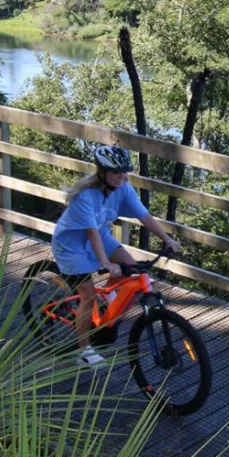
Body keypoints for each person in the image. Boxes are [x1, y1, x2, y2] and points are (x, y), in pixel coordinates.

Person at [52, 145, 181, 367]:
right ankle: (84, 350)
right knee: (87, 294)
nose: (122, 176)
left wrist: (166, 239)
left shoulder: (123, 189)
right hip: (71, 246)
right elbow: (90, 232)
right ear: (102, 172)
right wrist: (105, 263)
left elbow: (144, 216)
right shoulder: (85, 196)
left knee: (131, 271)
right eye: (116, 172)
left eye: (125, 172)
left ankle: (107, 307)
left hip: (100, 236)